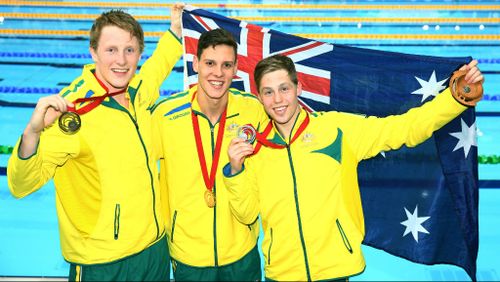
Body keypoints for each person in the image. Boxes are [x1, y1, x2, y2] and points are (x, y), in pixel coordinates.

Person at [223, 54, 484, 281]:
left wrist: (455, 98)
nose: (278, 99)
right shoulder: (256, 148)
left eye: (284, 89)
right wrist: (236, 170)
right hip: (281, 273)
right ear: (259, 97)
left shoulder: (337, 130)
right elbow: (246, 215)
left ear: (298, 88)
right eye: (268, 92)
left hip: (334, 269)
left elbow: (403, 128)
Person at [7, 5, 184, 281]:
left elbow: (158, 65)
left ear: (139, 53)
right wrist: (32, 132)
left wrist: (176, 30)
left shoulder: (139, 90)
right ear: (93, 52)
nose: (122, 61)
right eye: (111, 50)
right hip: (103, 263)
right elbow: (20, 185)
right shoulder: (71, 112)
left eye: (130, 50)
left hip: (154, 251)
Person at [151, 28, 268, 281]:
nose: (218, 73)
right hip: (188, 256)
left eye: (226, 65)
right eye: (210, 63)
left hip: (242, 254)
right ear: (196, 64)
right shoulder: (166, 116)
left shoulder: (253, 111)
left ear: (236, 68)